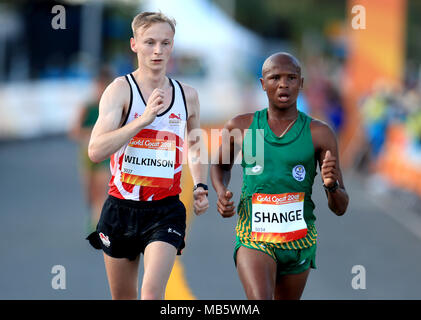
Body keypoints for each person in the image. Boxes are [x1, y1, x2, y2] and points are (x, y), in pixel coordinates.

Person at [86, 12, 209, 300]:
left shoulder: (187, 95)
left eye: (165, 43)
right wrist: (142, 120)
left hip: (164, 209)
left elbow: (194, 145)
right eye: (150, 42)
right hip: (121, 209)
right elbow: (95, 150)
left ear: (172, 46)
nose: (158, 51)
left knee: (152, 294)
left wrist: (201, 185)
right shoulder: (119, 90)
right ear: (134, 45)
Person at [210, 52, 349, 300]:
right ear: (263, 84)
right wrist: (221, 192)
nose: (283, 84)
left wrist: (331, 186)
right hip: (253, 236)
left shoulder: (320, 133)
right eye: (275, 77)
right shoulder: (241, 126)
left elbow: (340, 207)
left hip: (298, 242)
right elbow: (220, 165)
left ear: (301, 83)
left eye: (291, 78)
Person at [69, 68, 113, 233]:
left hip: (105, 155)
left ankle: (98, 224)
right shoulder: (87, 107)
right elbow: (74, 131)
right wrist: (92, 133)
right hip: (86, 153)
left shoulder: (113, 107)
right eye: (99, 85)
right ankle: (94, 215)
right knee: (89, 192)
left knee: (101, 190)